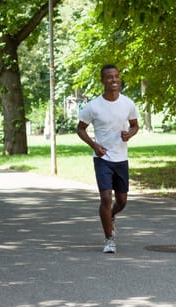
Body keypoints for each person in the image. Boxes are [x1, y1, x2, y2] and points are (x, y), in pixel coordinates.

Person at [77, 64, 140, 253]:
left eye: (116, 77)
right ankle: (109, 239)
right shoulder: (93, 106)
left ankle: (110, 215)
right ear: (102, 81)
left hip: (121, 158)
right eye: (109, 77)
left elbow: (135, 125)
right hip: (102, 158)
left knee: (121, 202)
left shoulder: (128, 103)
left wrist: (129, 134)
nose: (114, 80)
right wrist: (94, 145)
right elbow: (80, 128)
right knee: (106, 198)